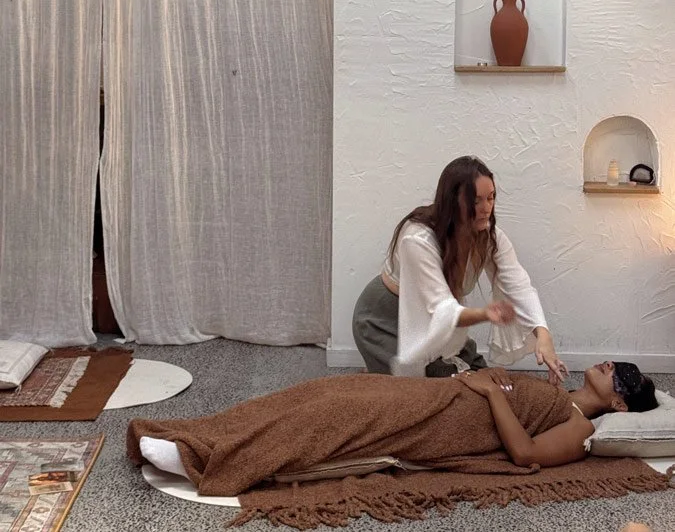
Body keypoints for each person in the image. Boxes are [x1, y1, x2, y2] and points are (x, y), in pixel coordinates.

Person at [127, 360, 658, 497]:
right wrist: (481, 378)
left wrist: (494, 393)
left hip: (446, 426)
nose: (614, 366)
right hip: (440, 395)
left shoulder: (579, 431)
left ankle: (210, 460)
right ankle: (197, 433)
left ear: (620, 404)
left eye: (624, 376)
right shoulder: (560, 388)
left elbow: (522, 455)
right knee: (325, 391)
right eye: (617, 364)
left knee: (330, 419)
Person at [352, 156, 567, 380]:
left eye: (491, 198)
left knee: (484, 378)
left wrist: (543, 335)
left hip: (440, 321)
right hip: (382, 318)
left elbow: (518, 284)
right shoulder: (417, 238)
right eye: (476, 201)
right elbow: (440, 308)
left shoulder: (488, 235)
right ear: (453, 201)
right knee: (431, 392)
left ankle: (379, 373)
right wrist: (485, 314)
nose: (486, 209)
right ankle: (373, 375)